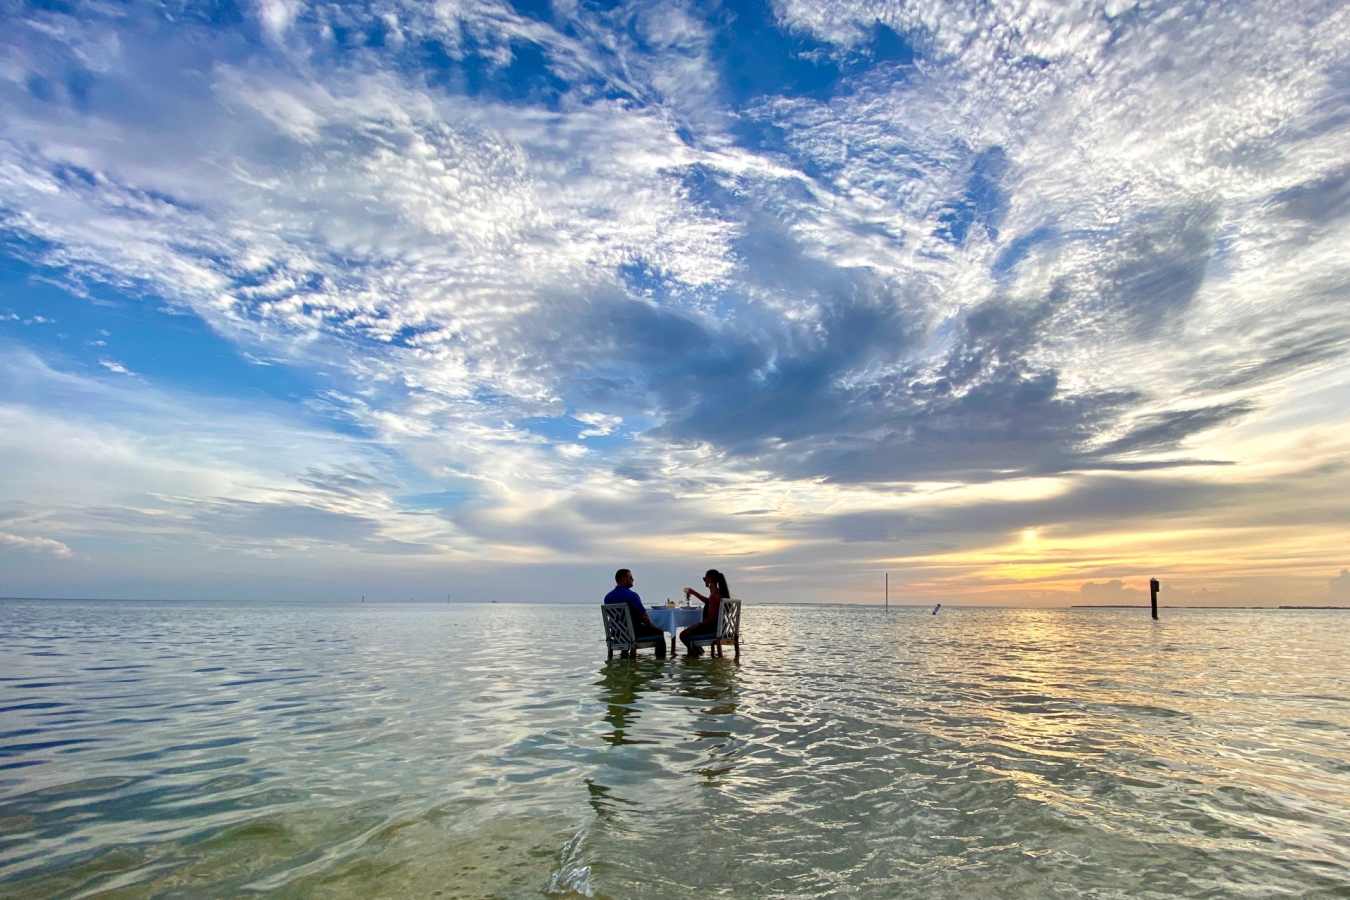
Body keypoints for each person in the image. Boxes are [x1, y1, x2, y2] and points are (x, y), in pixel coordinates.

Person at [604, 568, 666, 657]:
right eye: (630, 577)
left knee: (633, 628)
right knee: (659, 632)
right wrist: (653, 627)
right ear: (623, 579)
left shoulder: (607, 597)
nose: (633, 579)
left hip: (616, 634)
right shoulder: (632, 596)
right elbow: (644, 617)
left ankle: (624, 658)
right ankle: (660, 665)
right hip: (633, 634)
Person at [680, 569, 729, 656]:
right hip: (720, 628)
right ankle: (697, 652)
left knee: (683, 635)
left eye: (704, 579)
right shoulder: (718, 593)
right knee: (688, 632)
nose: (704, 581)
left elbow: (711, 618)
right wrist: (694, 593)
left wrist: (697, 625)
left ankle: (694, 656)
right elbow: (708, 602)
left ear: (710, 579)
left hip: (712, 628)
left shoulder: (714, 596)